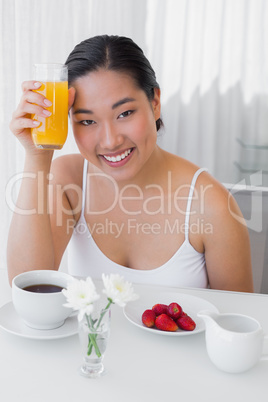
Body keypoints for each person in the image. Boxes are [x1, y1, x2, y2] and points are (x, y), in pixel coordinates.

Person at [8, 34, 253, 292]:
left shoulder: (210, 202)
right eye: (87, 121)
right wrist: (37, 157)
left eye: (124, 113)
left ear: (155, 103)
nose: (111, 141)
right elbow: (27, 289)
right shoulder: (68, 181)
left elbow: (238, 324)